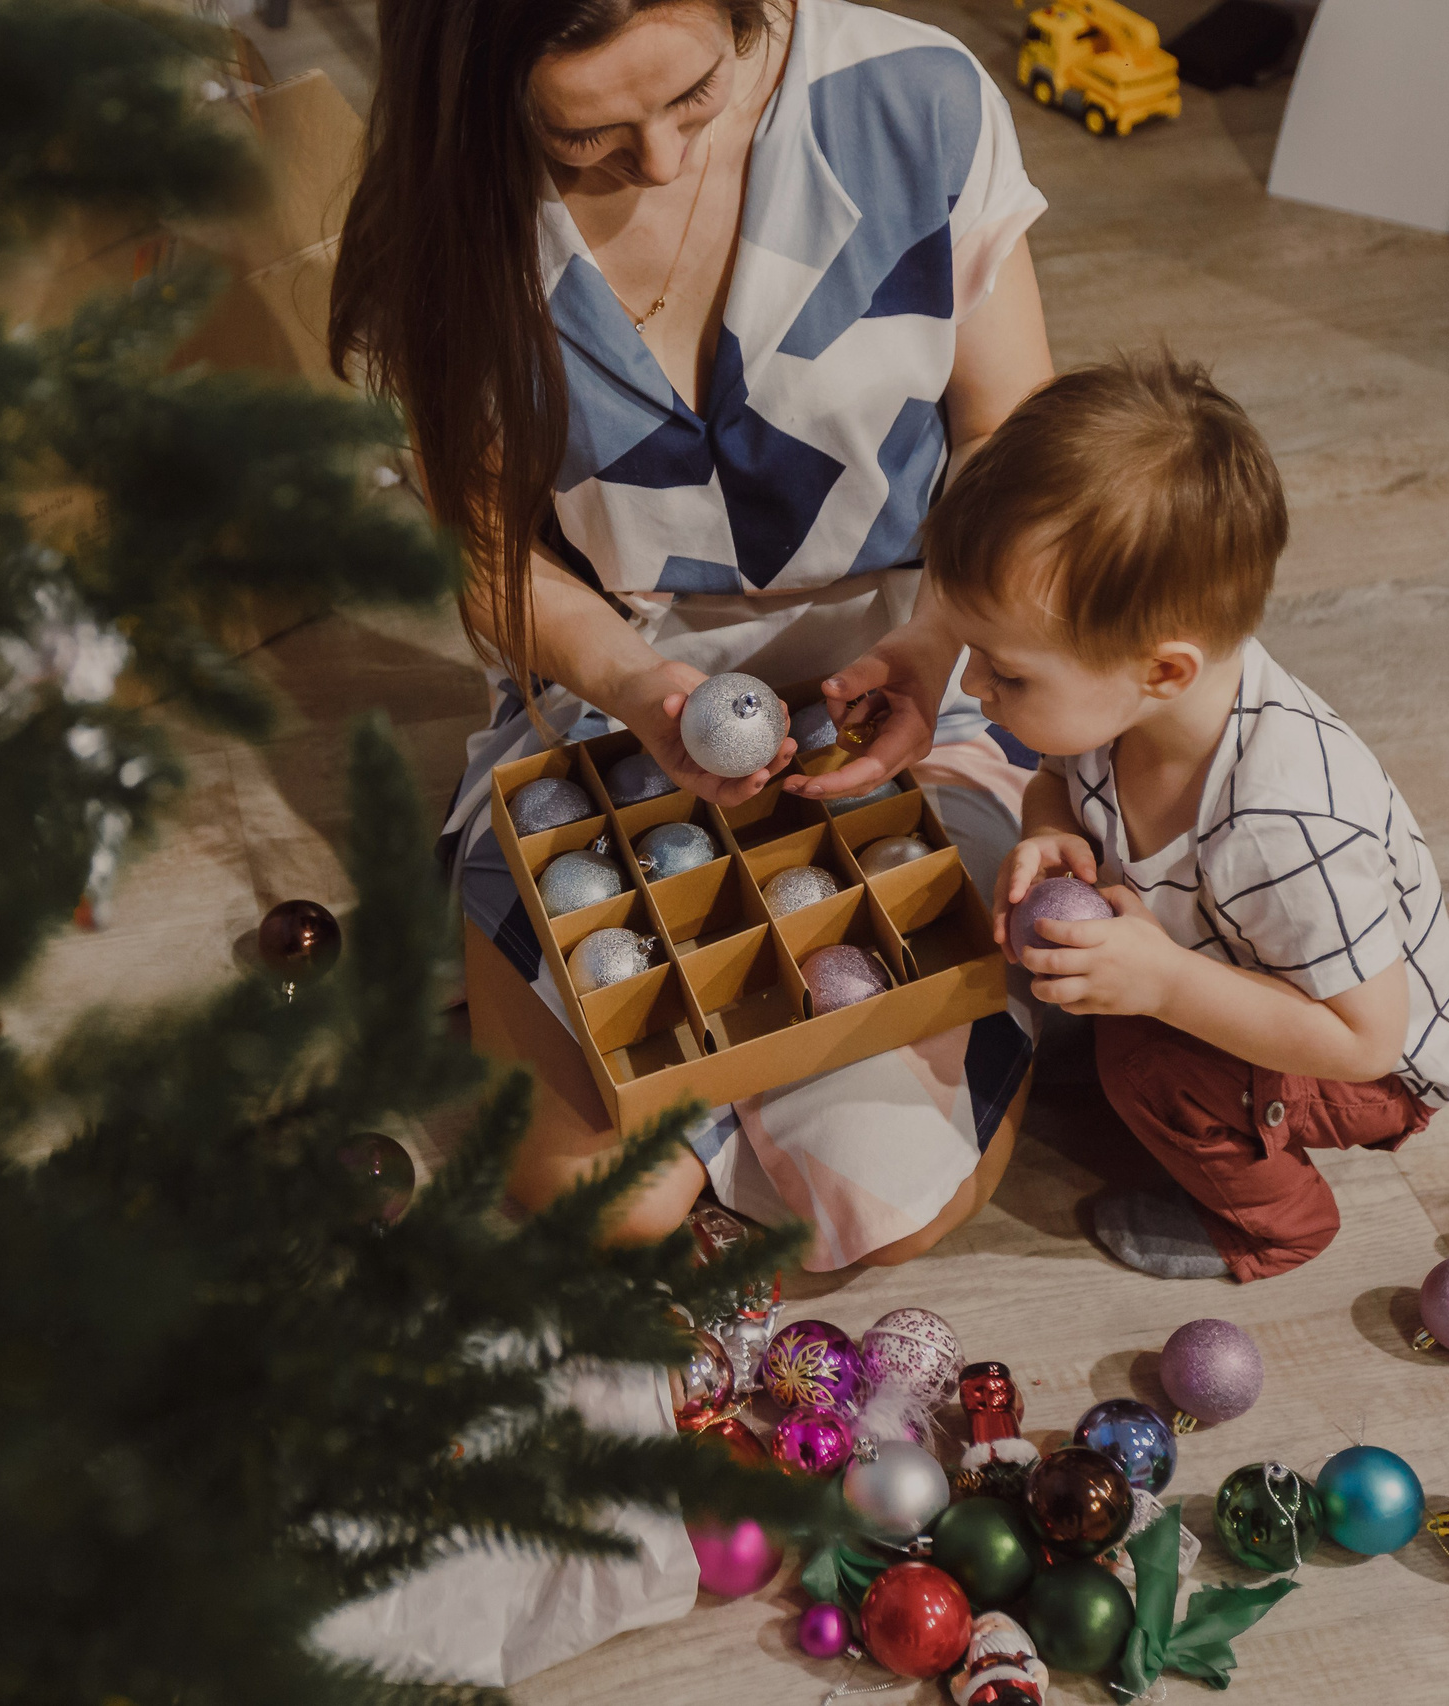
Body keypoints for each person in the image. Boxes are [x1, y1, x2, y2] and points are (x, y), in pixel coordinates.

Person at [330, 0, 1054, 1265]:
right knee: (601, 1203)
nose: (658, 161)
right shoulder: (447, 209)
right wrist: (635, 682)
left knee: (873, 1216)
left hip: (916, 660)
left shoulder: (914, 101)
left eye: (694, 98)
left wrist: (937, 643)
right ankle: (745, 1068)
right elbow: (491, 561)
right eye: (585, 136)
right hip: (609, 698)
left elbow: (1013, 440)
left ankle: (773, 1076)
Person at [925, 353, 1449, 1282]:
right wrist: (1048, 822)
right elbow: (1059, 776)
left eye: (1006, 670)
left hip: (1366, 1065)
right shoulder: (1118, 701)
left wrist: (1168, 990)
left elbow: (1364, 1040)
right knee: (1124, 1028)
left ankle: (1275, 1226)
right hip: (1240, 961)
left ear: (1165, 671)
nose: (972, 685)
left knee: (1143, 1064)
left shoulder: (1285, 824)